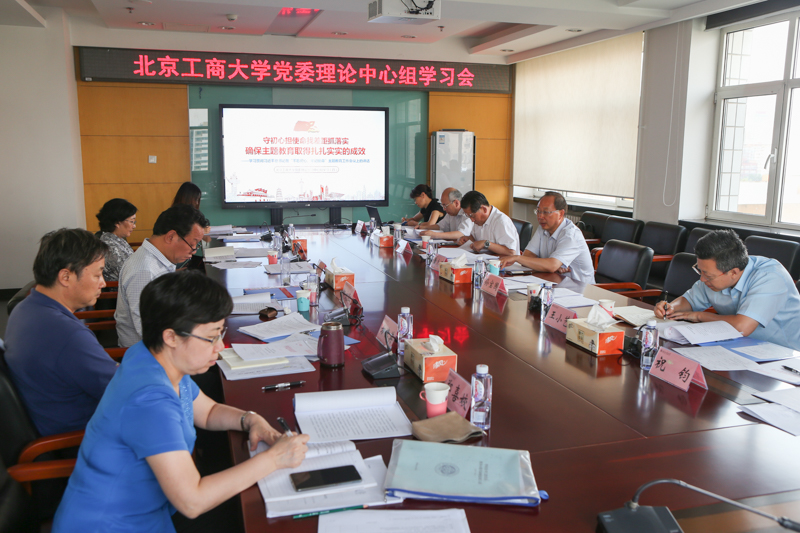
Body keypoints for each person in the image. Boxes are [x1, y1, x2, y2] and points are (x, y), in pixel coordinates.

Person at [52, 271, 309, 532]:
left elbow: (207, 412)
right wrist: (274, 459)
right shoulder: (150, 400)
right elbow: (192, 501)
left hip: (151, 511)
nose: (220, 346)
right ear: (171, 337)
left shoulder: (154, 356)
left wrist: (250, 420)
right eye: (212, 337)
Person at [4, 229, 117, 436]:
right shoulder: (68, 335)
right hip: (82, 438)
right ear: (65, 276)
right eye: (97, 274)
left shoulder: (24, 309)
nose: (103, 282)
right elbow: (124, 390)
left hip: (52, 419)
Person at [654, 229, 800, 350]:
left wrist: (699, 316)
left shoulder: (770, 277)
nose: (702, 279)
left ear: (733, 273)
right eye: (700, 271)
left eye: (708, 275)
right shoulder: (716, 275)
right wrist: (670, 308)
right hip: (740, 346)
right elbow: (689, 301)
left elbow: (742, 327)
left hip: (784, 355)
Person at [116, 204, 209, 347]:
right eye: (193, 243)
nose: (194, 251)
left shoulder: (158, 259)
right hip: (148, 352)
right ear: (171, 237)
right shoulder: (144, 271)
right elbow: (148, 331)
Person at [499, 192, 595, 283]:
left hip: (580, 288)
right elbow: (528, 256)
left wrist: (517, 258)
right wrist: (549, 265)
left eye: (546, 212)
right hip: (554, 282)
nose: (540, 216)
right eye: (538, 211)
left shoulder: (571, 235)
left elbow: (551, 265)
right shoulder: (543, 228)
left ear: (561, 214)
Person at [457, 191, 520, 256]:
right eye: (468, 216)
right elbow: (476, 238)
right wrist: (468, 239)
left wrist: (486, 243)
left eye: (472, 216)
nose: (472, 220)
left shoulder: (501, 221)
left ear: (484, 209)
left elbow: (511, 252)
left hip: (503, 261)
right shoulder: (478, 220)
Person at [96, 198, 138, 282]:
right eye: (131, 221)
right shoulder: (110, 247)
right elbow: (131, 276)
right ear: (117, 223)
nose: (134, 226)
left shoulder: (117, 239)